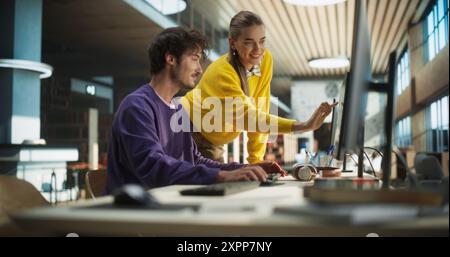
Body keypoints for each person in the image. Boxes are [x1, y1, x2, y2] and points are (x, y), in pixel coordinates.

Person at [106, 27, 284, 193]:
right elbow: (153, 167)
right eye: (194, 58)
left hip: (166, 206)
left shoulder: (178, 110)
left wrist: (244, 168)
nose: (200, 69)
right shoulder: (137, 106)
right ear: (171, 59)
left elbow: (195, 160)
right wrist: (221, 176)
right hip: (133, 215)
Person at [181, 11, 336, 164]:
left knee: (223, 181)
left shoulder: (264, 60)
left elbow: (260, 109)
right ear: (232, 43)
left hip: (214, 139)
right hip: (188, 130)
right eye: (249, 42)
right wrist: (303, 126)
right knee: (207, 184)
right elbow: (251, 118)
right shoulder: (222, 73)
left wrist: (256, 159)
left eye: (262, 41)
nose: (258, 49)